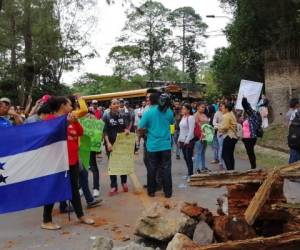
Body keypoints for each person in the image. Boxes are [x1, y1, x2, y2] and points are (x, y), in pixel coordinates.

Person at [42, 96, 94, 230]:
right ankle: (46, 220)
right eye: (70, 105)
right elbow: (51, 137)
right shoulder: (50, 120)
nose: (72, 107)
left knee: (74, 190)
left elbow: (80, 133)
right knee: (53, 190)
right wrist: (66, 123)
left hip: (72, 160)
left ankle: (81, 215)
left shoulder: (71, 118)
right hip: (57, 162)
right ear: (62, 106)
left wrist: (75, 122)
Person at [138, 93, 174, 198]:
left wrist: (145, 132)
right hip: (166, 145)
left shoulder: (148, 112)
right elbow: (172, 125)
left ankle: (151, 191)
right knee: (166, 169)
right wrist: (169, 135)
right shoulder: (169, 112)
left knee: (152, 169)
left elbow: (140, 128)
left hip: (152, 146)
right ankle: (168, 192)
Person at [103, 99, 131, 196]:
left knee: (123, 163)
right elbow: (104, 131)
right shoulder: (106, 116)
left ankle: (124, 182)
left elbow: (126, 127)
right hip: (111, 144)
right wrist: (108, 143)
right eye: (114, 103)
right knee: (112, 165)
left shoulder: (123, 115)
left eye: (117, 103)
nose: (116, 105)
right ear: (110, 106)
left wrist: (127, 130)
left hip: (122, 144)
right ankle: (113, 186)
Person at [241, 97, 261, 169]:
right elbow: (246, 108)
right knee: (250, 152)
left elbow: (247, 107)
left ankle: (253, 166)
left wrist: (244, 100)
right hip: (246, 138)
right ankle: (253, 166)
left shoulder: (254, 115)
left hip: (250, 137)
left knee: (250, 152)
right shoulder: (249, 116)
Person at [219, 103, 238, 170]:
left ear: (226, 109)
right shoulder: (231, 114)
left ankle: (229, 170)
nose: (221, 109)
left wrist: (218, 128)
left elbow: (225, 127)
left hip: (229, 136)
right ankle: (232, 170)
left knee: (225, 155)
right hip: (234, 136)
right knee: (230, 154)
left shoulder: (226, 115)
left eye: (223, 108)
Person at [178, 103, 195, 179]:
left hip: (188, 141)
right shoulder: (183, 117)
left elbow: (191, 131)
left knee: (189, 157)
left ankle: (191, 174)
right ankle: (189, 173)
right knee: (185, 157)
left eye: (184, 108)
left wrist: (187, 140)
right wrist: (179, 139)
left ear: (188, 110)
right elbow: (181, 129)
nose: (182, 110)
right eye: (182, 108)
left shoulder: (191, 118)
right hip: (182, 140)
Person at [194, 102, 209, 173]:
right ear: (197, 107)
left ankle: (203, 167)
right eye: (202, 107)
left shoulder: (204, 115)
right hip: (199, 136)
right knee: (198, 152)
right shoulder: (196, 115)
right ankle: (198, 168)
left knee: (203, 152)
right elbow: (195, 127)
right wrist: (200, 134)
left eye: (204, 107)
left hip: (206, 136)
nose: (203, 108)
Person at [213, 103, 225, 170]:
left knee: (225, 148)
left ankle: (225, 162)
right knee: (221, 147)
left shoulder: (227, 113)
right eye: (220, 106)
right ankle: (221, 163)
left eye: (222, 105)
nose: (221, 107)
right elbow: (214, 122)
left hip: (227, 133)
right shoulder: (217, 113)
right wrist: (219, 126)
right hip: (220, 132)